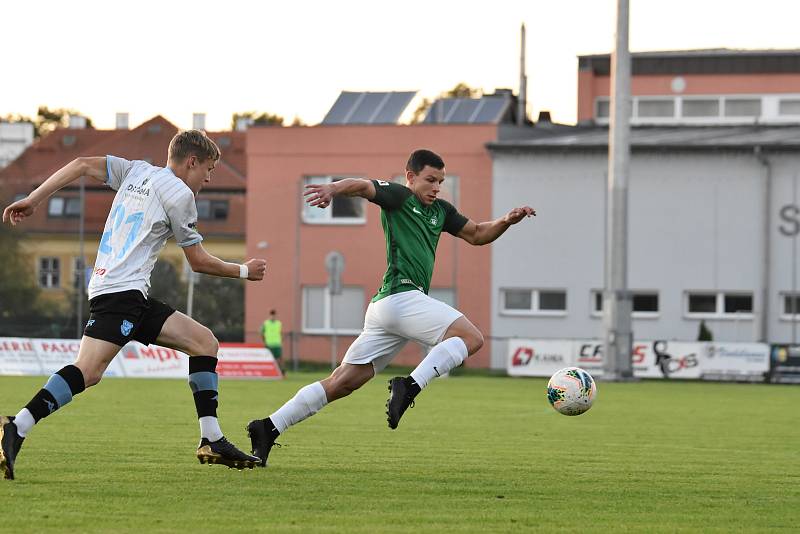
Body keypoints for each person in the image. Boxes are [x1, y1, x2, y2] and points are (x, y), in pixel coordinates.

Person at [1, 130, 265, 480]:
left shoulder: (136, 170)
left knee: (204, 342)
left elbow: (80, 164)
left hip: (124, 293)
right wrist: (245, 270)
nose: (208, 177)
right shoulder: (180, 194)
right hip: (120, 295)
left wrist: (34, 199)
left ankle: (211, 438)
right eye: (209, 169)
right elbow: (198, 261)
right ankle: (15, 426)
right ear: (192, 162)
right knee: (88, 371)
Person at [246, 148, 535, 467]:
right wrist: (332, 188)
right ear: (411, 177)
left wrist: (507, 220)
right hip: (401, 298)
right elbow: (363, 185)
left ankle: (268, 427)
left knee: (343, 382)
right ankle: (409, 385)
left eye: (440, 181)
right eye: (429, 180)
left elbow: (478, 234)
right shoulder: (399, 196)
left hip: (388, 309)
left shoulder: (442, 211)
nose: (436, 187)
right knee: (472, 339)